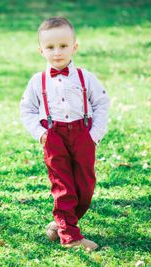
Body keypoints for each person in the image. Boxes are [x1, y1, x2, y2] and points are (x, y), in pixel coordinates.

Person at [19, 17, 110, 249]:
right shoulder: (37, 81)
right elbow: (27, 109)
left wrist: (94, 134)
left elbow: (101, 103)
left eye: (63, 46)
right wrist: (41, 133)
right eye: (50, 47)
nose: (57, 52)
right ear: (41, 50)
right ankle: (70, 237)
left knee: (85, 186)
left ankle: (61, 224)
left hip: (82, 134)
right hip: (53, 135)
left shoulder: (84, 77)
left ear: (74, 47)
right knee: (63, 186)